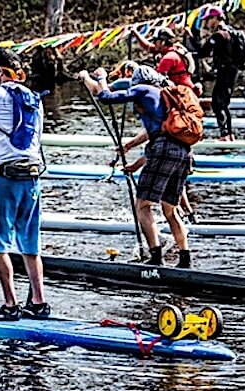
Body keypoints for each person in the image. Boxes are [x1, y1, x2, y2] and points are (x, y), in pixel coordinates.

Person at [78, 66, 193, 268]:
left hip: (163, 150)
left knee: (142, 205)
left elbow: (105, 96)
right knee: (170, 209)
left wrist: (101, 76)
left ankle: (156, 257)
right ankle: (185, 259)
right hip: (184, 151)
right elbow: (156, 131)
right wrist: (130, 146)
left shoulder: (144, 90)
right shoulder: (167, 94)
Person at [0, 47, 50, 321]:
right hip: (32, 178)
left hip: (6, 177)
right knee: (31, 244)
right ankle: (39, 303)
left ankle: (10, 305)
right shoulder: (36, 100)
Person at [187, 6, 239, 141]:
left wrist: (190, 37)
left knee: (217, 104)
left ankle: (224, 135)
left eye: (209, 19)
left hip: (224, 71)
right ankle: (229, 134)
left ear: (216, 18)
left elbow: (202, 51)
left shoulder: (219, 35)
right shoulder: (231, 32)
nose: (207, 23)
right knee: (224, 103)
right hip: (233, 71)